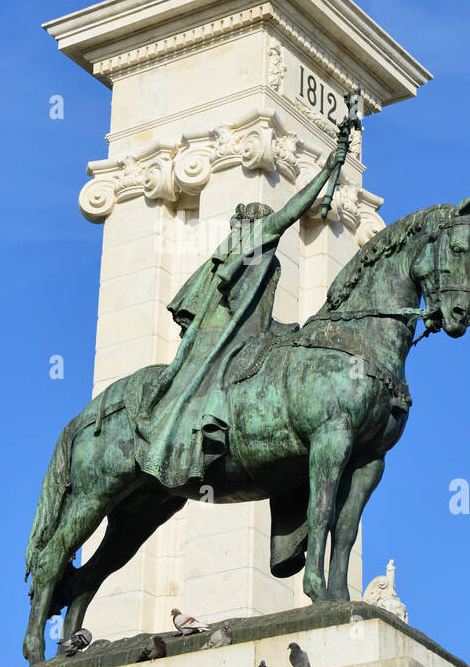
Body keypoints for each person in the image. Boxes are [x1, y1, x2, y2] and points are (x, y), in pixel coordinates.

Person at [133, 118, 354, 489]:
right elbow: (293, 210)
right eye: (264, 219)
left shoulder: (247, 249)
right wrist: (330, 168)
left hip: (250, 334)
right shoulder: (257, 239)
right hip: (234, 337)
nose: (270, 223)